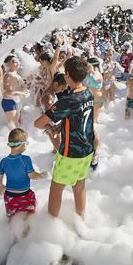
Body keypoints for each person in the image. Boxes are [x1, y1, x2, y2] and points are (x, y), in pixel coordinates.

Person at [34, 56, 96, 218]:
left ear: (67, 75)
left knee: (56, 188)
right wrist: (61, 126)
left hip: (71, 153)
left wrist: (51, 127)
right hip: (88, 149)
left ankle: (50, 223)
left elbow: (38, 123)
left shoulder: (68, 100)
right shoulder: (88, 94)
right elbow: (78, 118)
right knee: (79, 184)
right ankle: (81, 219)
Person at [0, 128, 47, 224]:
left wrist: (0, 186)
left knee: (11, 217)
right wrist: (41, 175)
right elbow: (32, 175)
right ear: (22, 144)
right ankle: (27, 229)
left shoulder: (4, 161)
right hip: (24, 196)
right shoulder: (25, 159)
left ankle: (11, 232)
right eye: (26, 143)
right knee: (30, 213)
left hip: (9, 196)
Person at [1, 55, 26, 130]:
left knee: (17, 125)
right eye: (14, 61)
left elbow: (20, 87)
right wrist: (21, 93)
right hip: (9, 101)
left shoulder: (16, 75)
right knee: (13, 127)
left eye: (17, 61)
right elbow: (6, 92)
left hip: (16, 101)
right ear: (8, 64)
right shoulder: (8, 75)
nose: (17, 63)